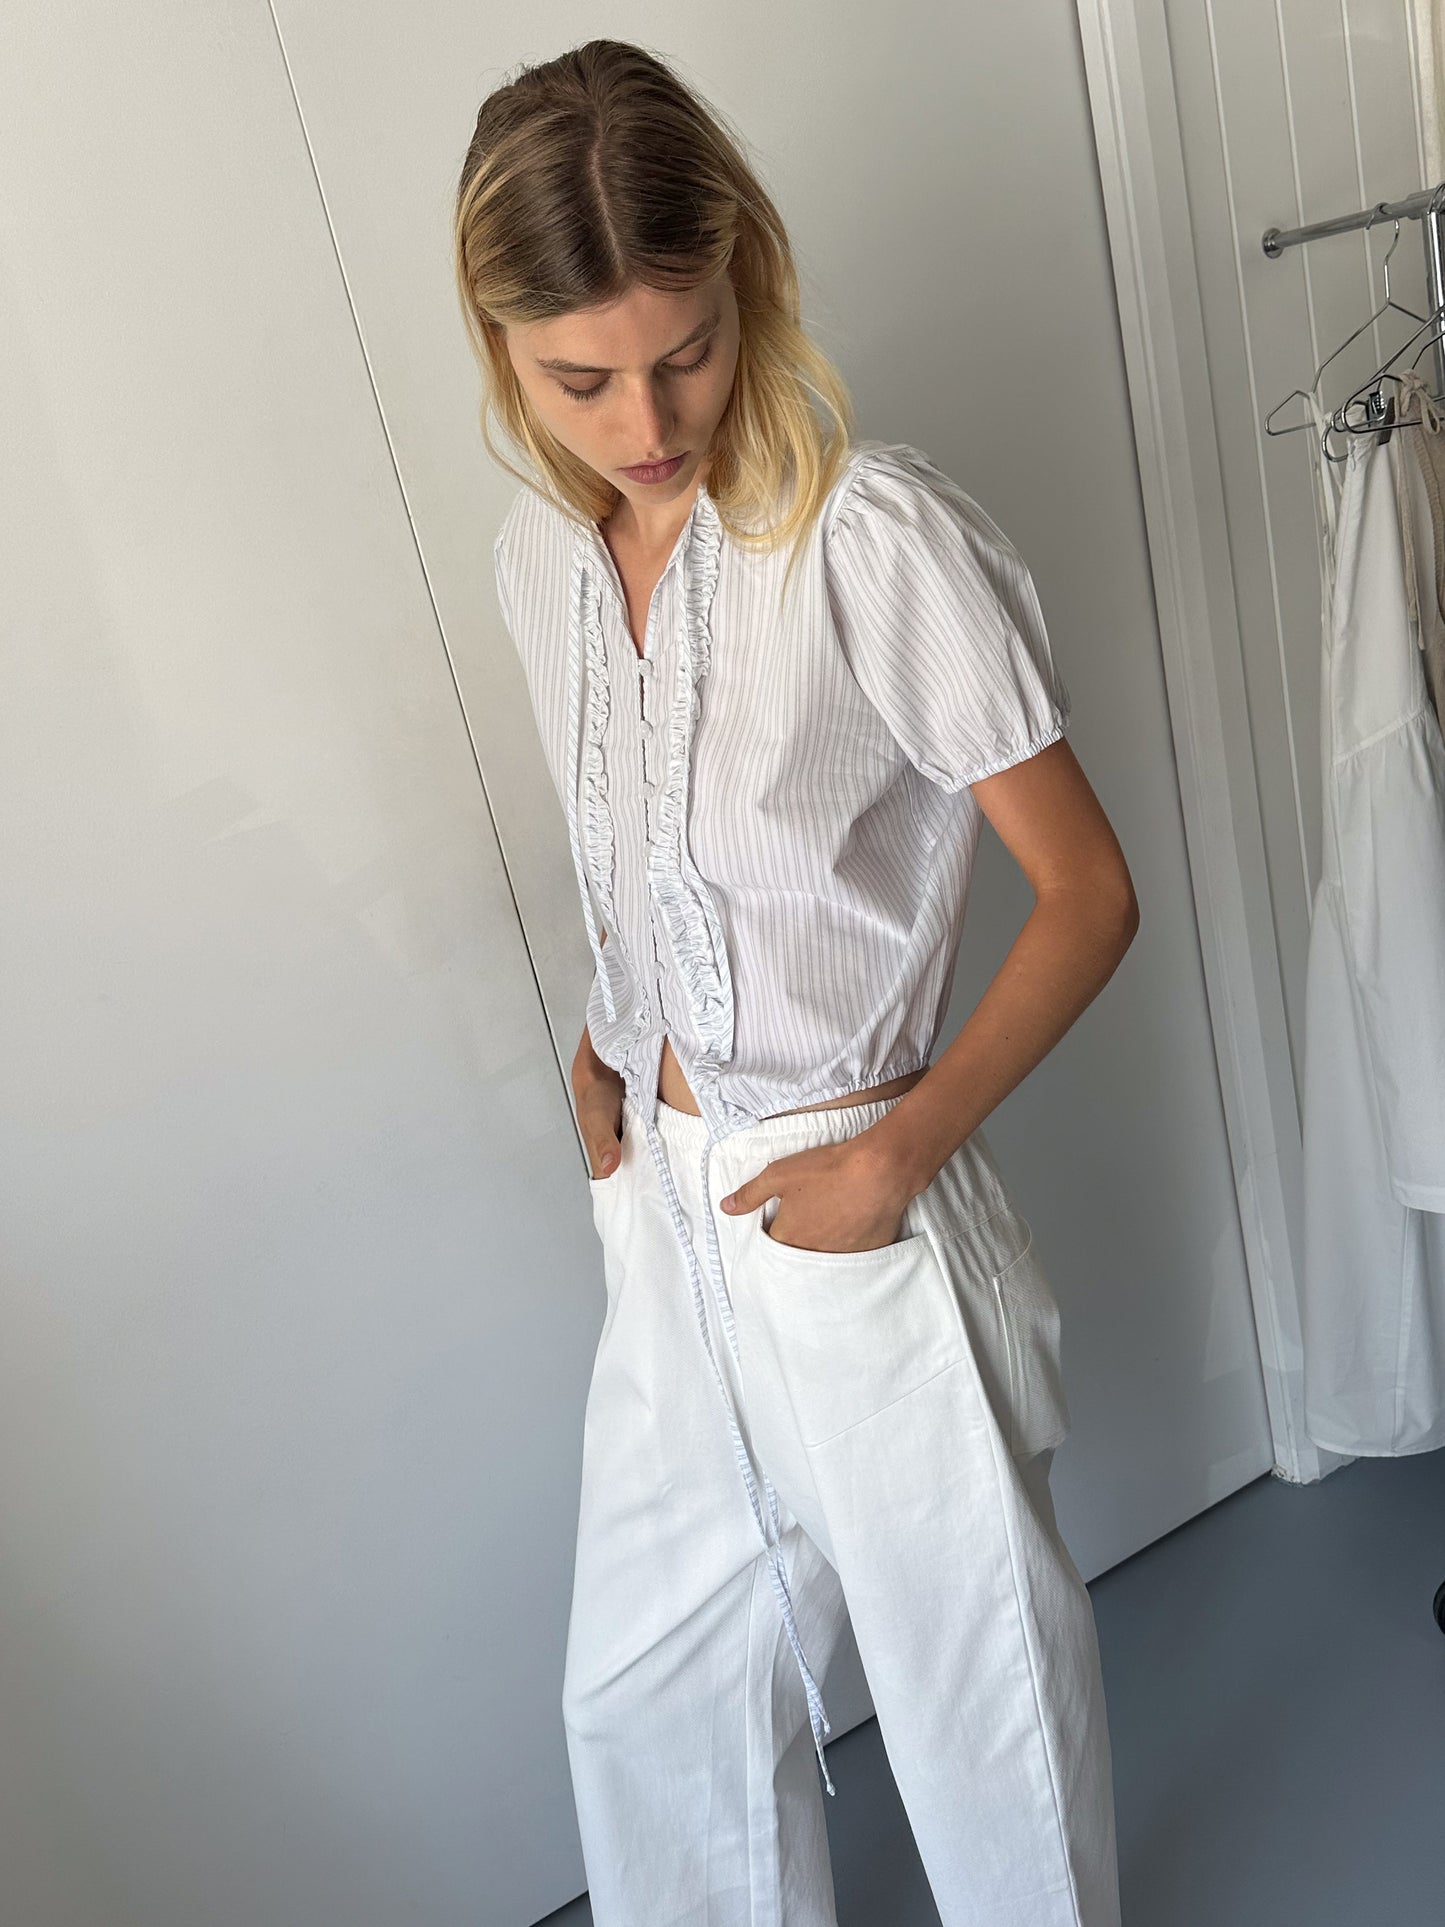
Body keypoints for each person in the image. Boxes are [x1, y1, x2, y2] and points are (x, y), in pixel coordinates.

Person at [454, 38, 1137, 1927]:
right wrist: (604, 1063)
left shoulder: (867, 538)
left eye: (681, 347)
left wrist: (890, 1162)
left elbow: (1085, 894)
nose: (642, 414)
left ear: (743, 271)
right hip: (658, 1211)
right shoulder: (544, 560)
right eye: (577, 376)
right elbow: (642, 869)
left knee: (969, 1685)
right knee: (650, 1687)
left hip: (846, 1182)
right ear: (501, 346)